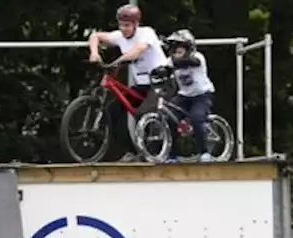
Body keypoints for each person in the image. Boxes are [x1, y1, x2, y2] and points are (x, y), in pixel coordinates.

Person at [88, 5, 167, 161]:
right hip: (142, 85)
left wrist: (119, 61)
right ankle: (131, 151)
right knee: (112, 112)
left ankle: (154, 151)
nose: (123, 29)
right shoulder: (119, 36)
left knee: (142, 113)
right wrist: (94, 53)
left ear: (136, 24)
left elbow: (137, 50)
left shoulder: (147, 33)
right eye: (120, 25)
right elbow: (95, 36)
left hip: (161, 82)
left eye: (127, 25)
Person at [162, 30, 216, 162]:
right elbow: (164, 70)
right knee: (169, 118)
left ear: (188, 48)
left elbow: (191, 62)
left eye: (180, 50)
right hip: (184, 95)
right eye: (175, 50)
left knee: (197, 117)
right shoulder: (171, 60)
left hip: (202, 94)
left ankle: (204, 152)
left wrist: (173, 63)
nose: (177, 53)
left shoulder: (198, 57)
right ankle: (172, 155)